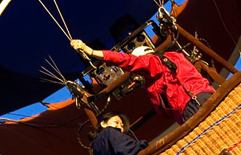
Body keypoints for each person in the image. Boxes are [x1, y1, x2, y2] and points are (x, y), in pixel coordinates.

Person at [71, 40, 215, 125]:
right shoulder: (175, 57)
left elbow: (129, 61)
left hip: (191, 104)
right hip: (206, 94)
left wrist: (90, 51)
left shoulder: (153, 62)